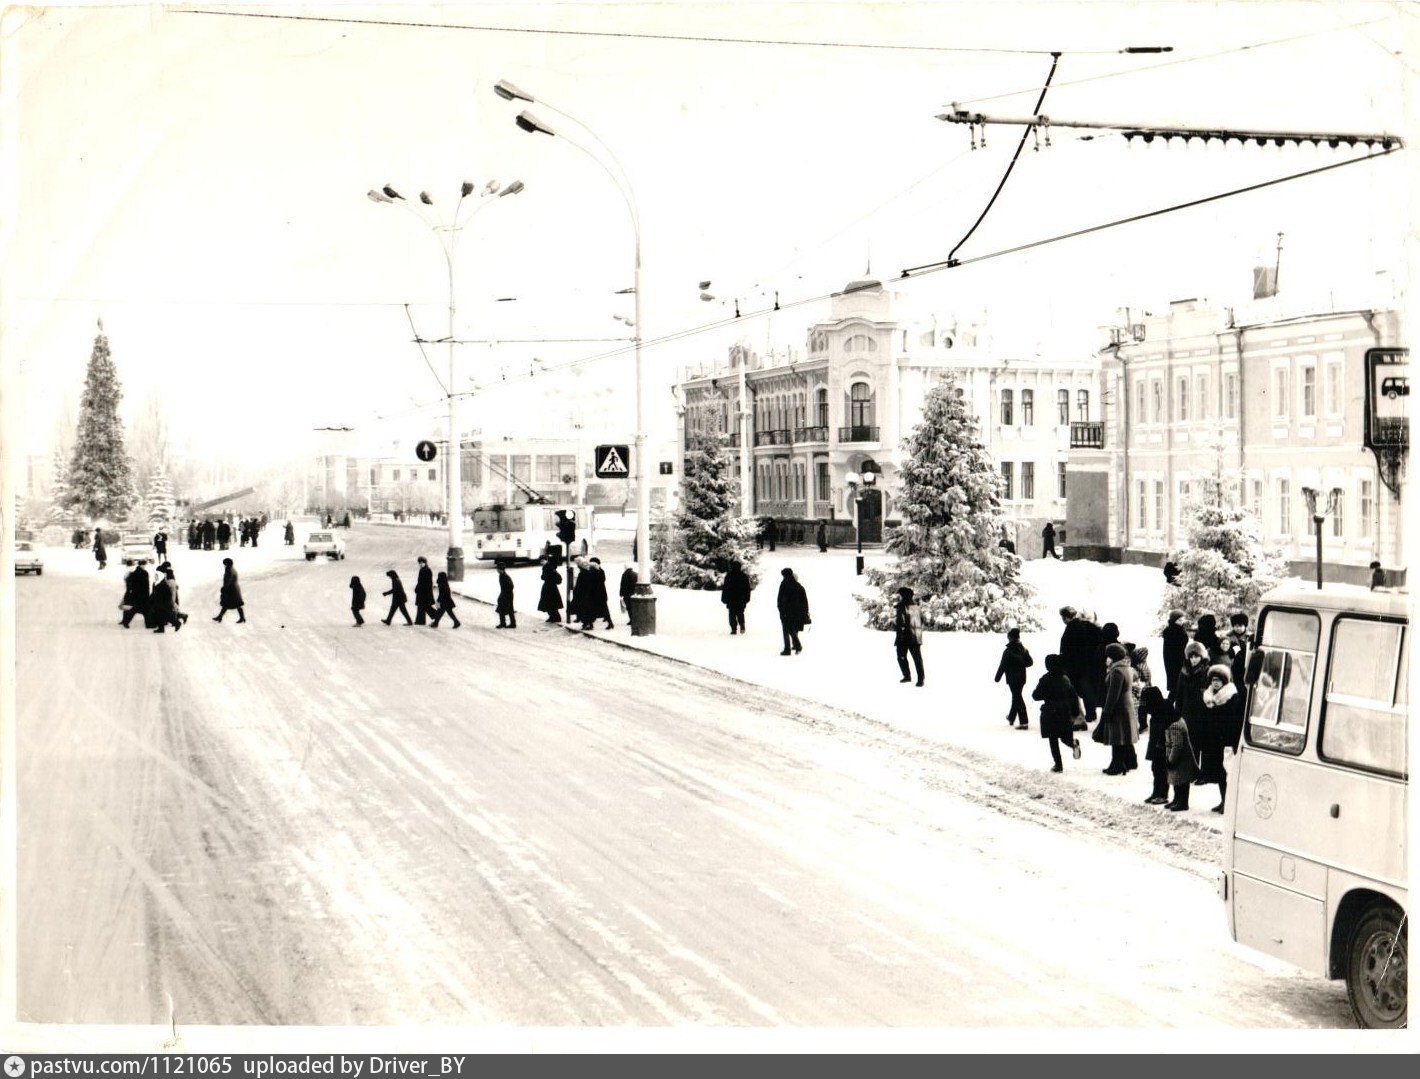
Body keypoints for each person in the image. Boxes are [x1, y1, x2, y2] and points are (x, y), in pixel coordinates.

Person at [1197, 663, 1239, 814]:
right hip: (1213, 740)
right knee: (1219, 773)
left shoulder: (1231, 697)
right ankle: (1223, 801)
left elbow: (1233, 721)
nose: (1215, 683)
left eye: (1219, 680)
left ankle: (1228, 803)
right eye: (1213, 680)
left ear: (1224, 682)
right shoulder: (1208, 697)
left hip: (1225, 740)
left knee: (1226, 772)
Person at [1031, 654, 1083, 772]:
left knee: (1053, 739)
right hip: (1065, 711)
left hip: (1050, 712)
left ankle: (1058, 765)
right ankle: (1073, 744)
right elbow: (1074, 696)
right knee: (1065, 736)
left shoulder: (1045, 679)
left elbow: (1036, 696)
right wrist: (1075, 712)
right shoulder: (1065, 679)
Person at [1096, 641, 1140, 775]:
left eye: (1108, 655)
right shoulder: (1125, 667)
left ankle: (1117, 765)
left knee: (1117, 737)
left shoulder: (1117, 671)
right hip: (1126, 705)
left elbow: (1113, 694)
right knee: (1125, 735)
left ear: (1113, 656)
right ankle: (1131, 761)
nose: (1106, 658)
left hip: (1118, 707)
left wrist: (1107, 710)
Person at [1059, 606, 1100, 724]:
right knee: (1086, 690)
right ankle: (1090, 713)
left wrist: (1064, 663)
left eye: (1063, 617)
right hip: (1087, 665)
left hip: (1075, 666)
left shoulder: (1072, 628)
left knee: (1076, 691)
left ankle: (1080, 716)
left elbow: (1068, 650)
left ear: (1066, 617)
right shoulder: (1084, 626)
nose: (1062, 620)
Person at [1164, 698, 1200, 812]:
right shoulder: (1177, 719)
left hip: (1180, 759)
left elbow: (1177, 745)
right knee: (1177, 781)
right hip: (1182, 757)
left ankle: (1182, 802)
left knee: (1181, 782)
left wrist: (1171, 760)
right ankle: (1177, 800)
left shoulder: (1174, 725)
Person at [1139, 686, 1174, 804]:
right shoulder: (1156, 708)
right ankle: (1156, 792)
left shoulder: (1164, 709)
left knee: (1162, 770)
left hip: (1164, 745)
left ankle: (1163, 794)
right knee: (1155, 768)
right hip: (1156, 744)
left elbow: (1166, 729)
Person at [994, 627, 1033, 726]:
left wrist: (997, 678)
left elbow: (1002, 666)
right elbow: (1030, 663)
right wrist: (1021, 664)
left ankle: (1024, 722)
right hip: (1022, 678)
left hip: (1012, 679)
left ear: (1010, 638)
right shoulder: (1023, 649)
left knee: (1017, 698)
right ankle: (1011, 717)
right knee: (1016, 696)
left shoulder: (1008, 651)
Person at [893, 587, 925, 686]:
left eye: (900, 595)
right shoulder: (916, 607)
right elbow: (922, 620)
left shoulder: (902, 606)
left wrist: (899, 638)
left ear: (903, 595)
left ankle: (907, 675)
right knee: (917, 659)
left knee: (901, 657)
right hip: (916, 636)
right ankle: (920, 679)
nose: (898, 597)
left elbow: (900, 623)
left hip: (904, 637)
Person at [775, 567, 810, 655]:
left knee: (786, 630)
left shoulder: (784, 584)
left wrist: (781, 609)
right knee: (791, 629)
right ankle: (796, 646)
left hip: (786, 611)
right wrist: (805, 612)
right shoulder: (798, 586)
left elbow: (780, 598)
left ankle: (788, 649)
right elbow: (804, 600)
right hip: (796, 612)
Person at [1161, 609, 1190, 697]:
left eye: (1182, 620)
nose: (1182, 622)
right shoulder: (1173, 631)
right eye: (1179, 620)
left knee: (1177, 688)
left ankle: (1170, 708)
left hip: (1177, 661)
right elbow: (1175, 649)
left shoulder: (1177, 630)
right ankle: (1168, 708)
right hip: (1175, 663)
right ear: (1174, 620)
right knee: (1176, 688)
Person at [149, 566, 185, 633]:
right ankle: (161, 629)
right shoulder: (158, 581)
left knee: (165, 615)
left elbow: (166, 593)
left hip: (163, 602)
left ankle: (176, 623)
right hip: (159, 601)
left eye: (157, 574)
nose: (156, 575)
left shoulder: (162, 582)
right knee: (160, 615)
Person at [720, 562, 751, 635]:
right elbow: (747, 589)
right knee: (740, 613)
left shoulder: (729, 576)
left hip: (731, 599)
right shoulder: (744, 576)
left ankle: (734, 629)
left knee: (732, 614)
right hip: (741, 599)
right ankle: (742, 625)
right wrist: (747, 598)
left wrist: (724, 598)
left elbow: (725, 588)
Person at [582, 557, 613, 629]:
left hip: (595, 595)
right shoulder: (600, 571)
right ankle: (610, 623)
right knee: (604, 610)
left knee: (591, 609)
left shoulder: (593, 572)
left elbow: (591, 583)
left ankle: (591, 625)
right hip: (601, 594)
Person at [213, 558, 246, 623]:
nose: (224, 565)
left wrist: (224, 588)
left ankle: (220, 617)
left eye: (225, 564)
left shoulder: (229, 570)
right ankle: (220, 617)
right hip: (234, 589)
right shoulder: (232, 569)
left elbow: (228, 581)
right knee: (234, 604)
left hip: (231, 590)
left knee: (228, 604)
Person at [119, 561, 150, 628]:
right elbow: (146, 586)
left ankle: (126, 621)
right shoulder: (144, 573)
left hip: (135, 594)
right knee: (145, 610)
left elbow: (130, 583)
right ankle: (149, 624)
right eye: (144, 565)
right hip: (142, 595)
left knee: (135, 609)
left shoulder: (134, 573)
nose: (144, 566)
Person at [413, 556, 437, 625]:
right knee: (422, 607)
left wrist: (418, 588)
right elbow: (420, 582)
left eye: (422, 563)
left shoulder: (426, 570)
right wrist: (417, 588)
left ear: (425, 563)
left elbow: (426, 583)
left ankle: (436, 615)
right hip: (422, 592)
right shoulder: (423, 569)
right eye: (419, 563)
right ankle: (420, 621)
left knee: (424, 607)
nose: (420, 564)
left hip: (425, 593)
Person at [494, 562, 516, 629]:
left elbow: (511, 586)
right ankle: (504, 623)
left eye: (497, 569)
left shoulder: (506, 577)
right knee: (502, 609)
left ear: (501, 569)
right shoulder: (501, 575)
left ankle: (511, 624)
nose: (497, 570)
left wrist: (505, 593)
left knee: (509, 609)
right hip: (504, 594)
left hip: (508, 595)